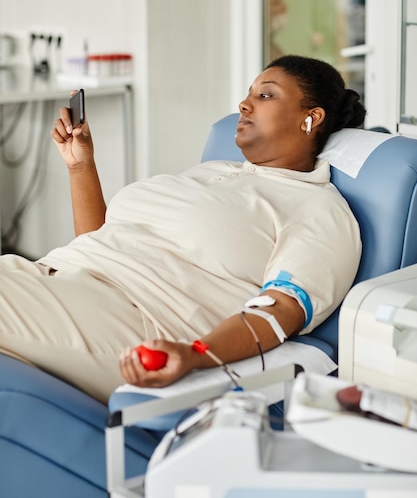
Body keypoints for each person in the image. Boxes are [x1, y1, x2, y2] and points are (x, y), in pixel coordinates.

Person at [0, 55, 365, 402]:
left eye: (265, 95)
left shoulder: (318, 208)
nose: (243, 104)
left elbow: (281, 310)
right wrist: (81, 166)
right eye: (248, 93)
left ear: (311, 118)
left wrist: (196, 354)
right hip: (57, 278)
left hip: (134, 318)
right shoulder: (211, 172)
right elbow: (101, 241)